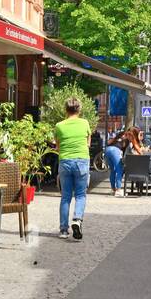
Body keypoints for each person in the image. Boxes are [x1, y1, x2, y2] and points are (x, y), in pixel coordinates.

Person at [54, 96, 91, 241]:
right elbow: (87, 143)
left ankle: (63, 230)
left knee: (65, 197)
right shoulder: (85, 123)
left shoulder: (59, 125)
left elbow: (57, 146)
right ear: (79, 109)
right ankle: (77, 219)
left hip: (65, 161)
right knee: (81, 195)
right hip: (82, 161)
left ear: (65, 109)